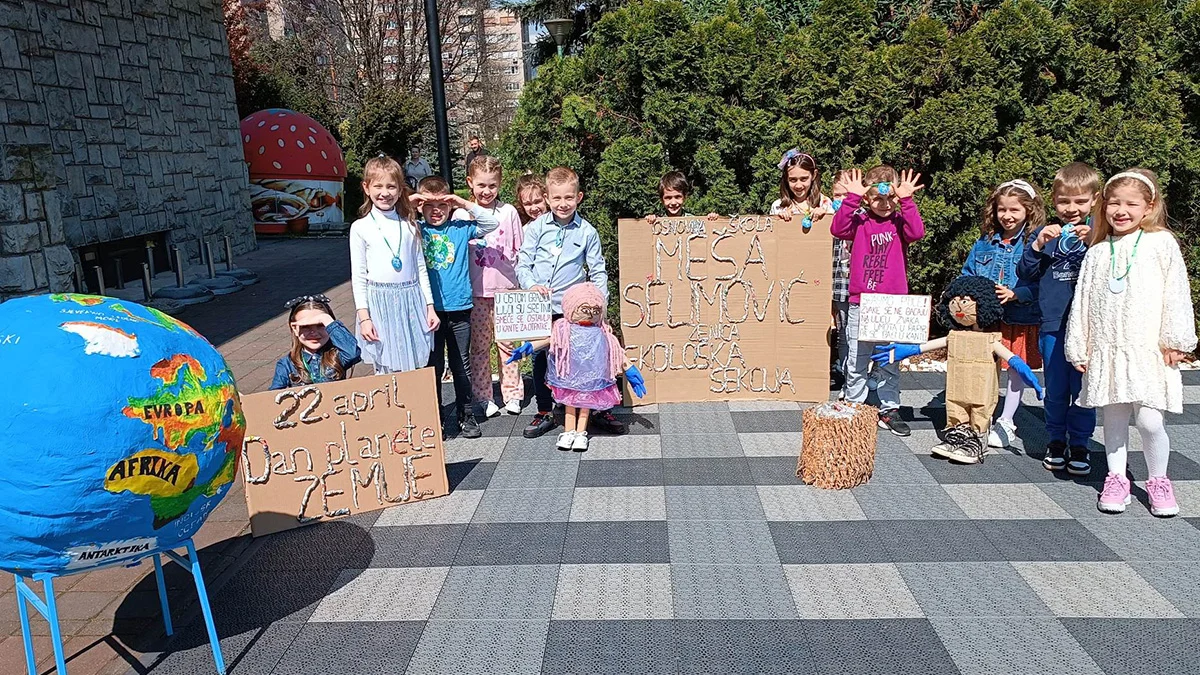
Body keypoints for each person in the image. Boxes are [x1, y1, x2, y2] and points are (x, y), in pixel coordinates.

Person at [1066, 168, 1196, 517]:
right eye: (1114, 203)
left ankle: (1158, 479)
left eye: (1131, 204)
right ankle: (1116, 478)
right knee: (1114, 418)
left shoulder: (1161, 243)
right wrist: (1079, 344)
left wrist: (1175, 338)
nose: (1121, 211)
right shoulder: (1097, 251)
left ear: (1149, 206)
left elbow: (1176, 293)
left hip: (1148, 348)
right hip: (1108, 348)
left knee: (1151, 420)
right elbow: (1083, 300)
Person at [872, 275, 1043, 464]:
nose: (959, 307)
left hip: (981, 388)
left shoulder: (990, 339)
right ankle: (958, 434)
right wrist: (908, 350)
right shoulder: (955, 336)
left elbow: (1010, 357)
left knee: (980, 407)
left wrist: (1022, 368)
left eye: (965, 302)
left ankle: (977, 438)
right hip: (957, 385)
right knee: (955, 404)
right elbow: (928, 346)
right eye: (954, 302)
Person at [516, 166, 626, 439]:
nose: (562, 204)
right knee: (541, 358)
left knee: (588, 359)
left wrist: (599, 309)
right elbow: (523, 264)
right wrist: (531, 285)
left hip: (575, 312)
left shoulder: (587, 232)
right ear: (547, 198)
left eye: (568, 197)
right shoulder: (536, 229)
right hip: (542, 307)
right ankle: (545, 410)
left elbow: (598, 271)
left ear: (579, 197)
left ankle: (598, 409)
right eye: (556, 198)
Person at [831, 165, 927, 436]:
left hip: (892, 304)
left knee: (889, 360)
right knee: (857, 359)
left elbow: (917, 233)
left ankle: (889, 408)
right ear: (867, 199)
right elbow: (837, 228)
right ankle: (854, 404)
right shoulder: (860, 221)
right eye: (877, 199)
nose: (884, 204)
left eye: (890, 199)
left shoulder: (899, 221)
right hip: (862, 301)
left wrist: (907, 200)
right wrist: (851, 198)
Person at [1017, 162, 1099, 475]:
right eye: (1064, 201)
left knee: (1083, 388)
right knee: (1055, 386)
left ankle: (1080, 442)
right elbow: (1025, 274)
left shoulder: (1100, 234)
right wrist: (1037, 245)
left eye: (1080, 201)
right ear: (1054, 202)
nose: (1071, 208)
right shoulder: (1044, 234)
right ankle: (1055, 439)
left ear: (1094, 200)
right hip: (1053, 323)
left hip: (1089, 327)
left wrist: (1094, 239)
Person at [508, 284, 647, 451]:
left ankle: (581, 433)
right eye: (584, 308)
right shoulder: (562, 328)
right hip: (569, 374)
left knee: (585, 404)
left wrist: (628, 368)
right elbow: (550, 339)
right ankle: (569, 432)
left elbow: (615, 349)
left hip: (591, 377)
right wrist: (530, 346)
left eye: (595, 310)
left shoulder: (602, 331)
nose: (589, 313)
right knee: (570, 402)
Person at [960, 179, 1044, 449]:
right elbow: (968, 274)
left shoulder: (1035, 243)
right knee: (984, 367)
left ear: (1028, 211)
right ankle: (981, 413)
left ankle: (1007, 419)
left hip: (1018, 318)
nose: (1007, 216)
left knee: (1015, 370)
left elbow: (1042, 280)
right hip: (987, 318)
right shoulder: (985, 243)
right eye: (1001, 210)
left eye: (1014, 210)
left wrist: (1017, 293)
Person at [415, 175, 499, 438]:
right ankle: (435, 415)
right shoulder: (416, 230)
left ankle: (466, 413)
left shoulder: (461, 228)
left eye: (442, 204)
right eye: (429, 205)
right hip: (429, 311)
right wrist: (414, 200)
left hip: (460, 307)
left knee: (461, 364)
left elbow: (491, 223)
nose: (436, 210)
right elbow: (394, 218)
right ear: (420, 207)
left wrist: (461, 201)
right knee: (434, 366)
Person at [350, 155, 439, 375]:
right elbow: (359, 276)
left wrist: (429, 306)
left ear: (400, 190)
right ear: (366, 188)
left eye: (391, 186)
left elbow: (420, 270)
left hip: (411, 301)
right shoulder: (360, 228)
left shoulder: (410, 226)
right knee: (386, 366)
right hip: (380, 303)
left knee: (415, 365)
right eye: (378, 186)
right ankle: (391, 408)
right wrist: (365, 318)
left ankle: (413, 407)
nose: (384, 193)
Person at [464, 156, 526, 418]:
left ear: (499, 185)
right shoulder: (462, 213)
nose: (486, 191)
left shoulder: (508, 212)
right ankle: (483, 395)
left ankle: (512, 393)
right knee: (479, 347)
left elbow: (519, 250)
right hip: (476, 293)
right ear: (470, 183)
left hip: (506, 291)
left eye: (492, 186)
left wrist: (522, 286)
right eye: (481, 185)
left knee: (508, 345)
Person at [271, 294, 361, 390]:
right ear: (295, 328)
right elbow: (272, 397)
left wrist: (326, 319)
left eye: (320, 325)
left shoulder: (337, 356)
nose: (314, 333)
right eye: (305, 326)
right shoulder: (287, 364)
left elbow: (353, 352)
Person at [828, 174, 852, 394]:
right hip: (837, 285)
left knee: (858, 336)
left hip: (857, 286)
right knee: (843, 333)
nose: (842, 199)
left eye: (847, 194)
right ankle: (846, 377)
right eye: (838, 194)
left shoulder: (863, 217)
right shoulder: (829, 217)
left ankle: (858, 379)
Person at [643, 171, 720, 223]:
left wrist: (712, 220)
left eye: (677, 197)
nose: (673, 202)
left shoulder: (693, 221)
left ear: (685, 196)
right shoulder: (657, 221)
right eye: (668, 198)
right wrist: (649, 221)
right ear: (662, 199)